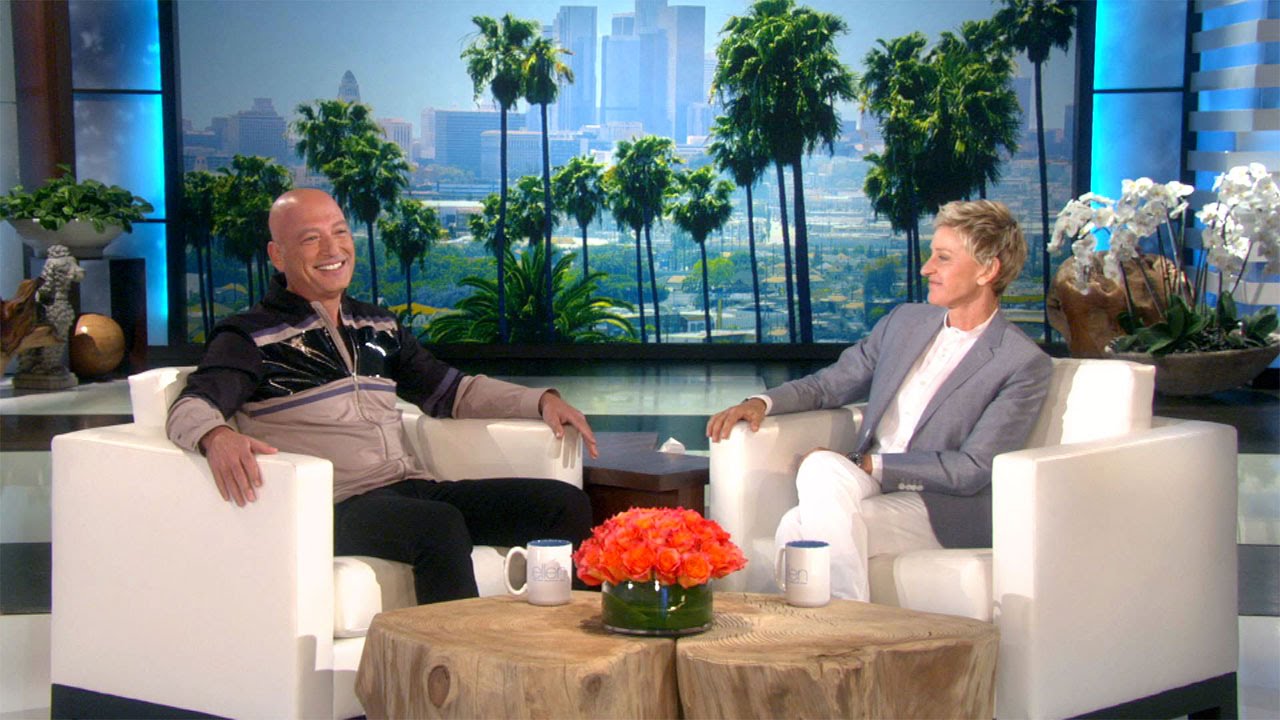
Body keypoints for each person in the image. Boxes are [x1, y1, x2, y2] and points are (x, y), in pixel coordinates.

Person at [167, 188, 598, 604]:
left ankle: (566, 639)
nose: (332, 248)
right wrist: (216, 436)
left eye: (340, 232)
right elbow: (191, 406)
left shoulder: (377, 326)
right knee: (437, 525)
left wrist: (540, 401)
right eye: (311, 238)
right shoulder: (249, 336)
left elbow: (452, 391)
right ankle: (450, 653)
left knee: (563, 505)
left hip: (411, 488)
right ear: (277, 255)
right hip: (335, 505)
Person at [706, 200, 1052, 601]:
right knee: (820, 470)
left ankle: (828, 623)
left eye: (943, 258)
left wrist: (869, 465)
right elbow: (829, 385)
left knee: (797, 526)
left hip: (938, 505)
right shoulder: (905, 322)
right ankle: (849, 624)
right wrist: (762, 403)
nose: (926, 268)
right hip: (865, 483)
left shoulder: (1020, 362)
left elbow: (972, 469)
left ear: (987, 270)